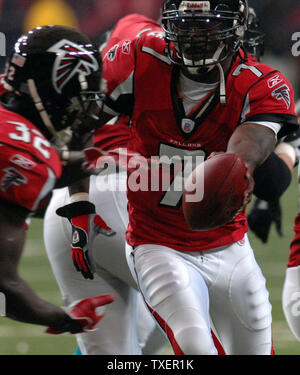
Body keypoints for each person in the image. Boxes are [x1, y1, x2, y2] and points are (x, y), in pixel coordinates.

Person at [60, 1, 299, 354]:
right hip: (156, 242)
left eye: (206, 27)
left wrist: (240, 165)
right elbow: (79, 125)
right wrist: (79, 200)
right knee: (195, 345)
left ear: (234, 28)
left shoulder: (259, 82)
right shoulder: (140, 56)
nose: (195, 37)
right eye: (186, 25)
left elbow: (251, 144)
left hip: (228, 244)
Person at [0, 25, 112, 334]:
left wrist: (101, 162)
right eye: (77, 101)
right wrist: (64, 318)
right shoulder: (27, 157)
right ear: (53, 93)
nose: (80, 112)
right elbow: (4, 289)